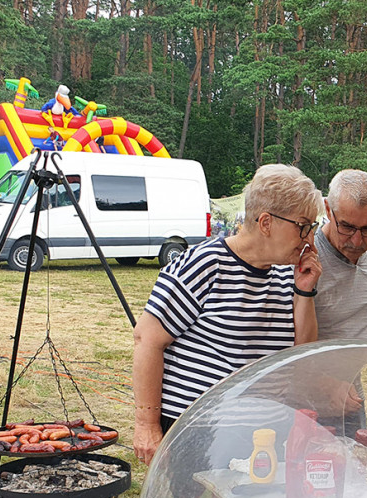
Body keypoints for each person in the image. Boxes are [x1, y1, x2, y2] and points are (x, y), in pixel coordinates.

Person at [132, 164, 324, 465]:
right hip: (200, 434)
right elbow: (146, 339)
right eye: (302, 226)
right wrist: (146, 426)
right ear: (265, 223)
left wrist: (304, 291)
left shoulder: (289, 274)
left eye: (311, 226)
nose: (308, 237)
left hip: (265, 433)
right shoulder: (206, 263)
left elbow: (301, 355)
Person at [302, 168, 367, 431]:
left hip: (352, 398)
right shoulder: (306, 258)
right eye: (347, 227)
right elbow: (284, 342)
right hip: (306, 406)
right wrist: (325, 385)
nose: (357, 241)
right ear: (328, 210)